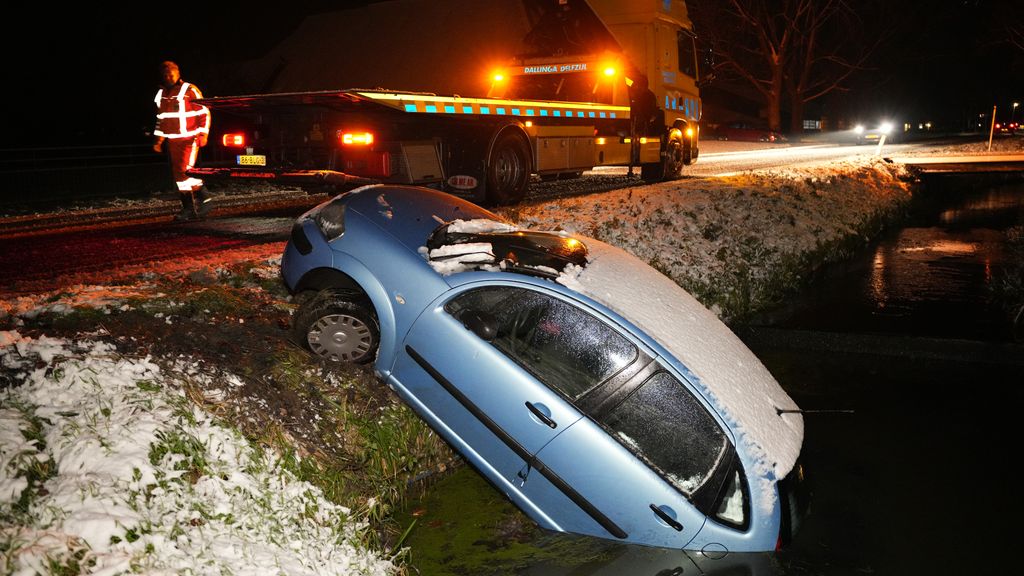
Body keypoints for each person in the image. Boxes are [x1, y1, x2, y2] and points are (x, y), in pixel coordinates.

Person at [153, 61, 213, 220]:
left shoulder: (189, 90)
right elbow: (161, 118)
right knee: (179, 174)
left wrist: (203, 134)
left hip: (189, 138)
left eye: (170, 74)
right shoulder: (161, 94)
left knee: (184, 170)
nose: (168, 77)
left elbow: (204, 112)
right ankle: (195, 205)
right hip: (173, 140)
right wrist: (158, 140)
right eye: (165, 75)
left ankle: (199, 202)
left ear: (177, 73)